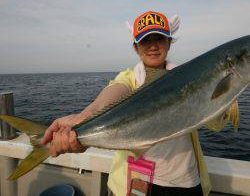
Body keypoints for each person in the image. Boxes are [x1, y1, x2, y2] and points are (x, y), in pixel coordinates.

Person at [41, 11, 239, 196]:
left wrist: (227, 94)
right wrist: (85, 116)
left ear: (169, 43)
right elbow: (114, 91)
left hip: (186, 181)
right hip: (137, 182)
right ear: (136, 47)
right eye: (145, 40)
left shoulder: (190, 78)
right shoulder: (129, 78)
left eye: (159, 38)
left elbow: (215, 123)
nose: (153, 46)